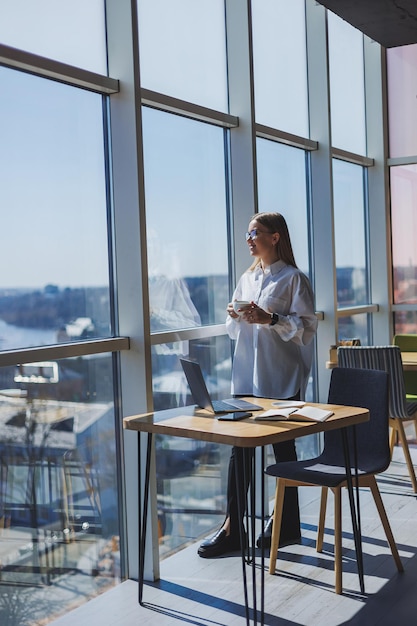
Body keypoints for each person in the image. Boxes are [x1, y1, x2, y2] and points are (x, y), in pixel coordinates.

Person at [198, 211, 318, 558]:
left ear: (275, 237)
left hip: (280, 378)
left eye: (255, 233)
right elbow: (234, 330)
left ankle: (287, 525)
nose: (249, 239)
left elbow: (307, 329)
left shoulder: (294, 279)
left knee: (284, 453)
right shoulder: (248, 279)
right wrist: (235, 317)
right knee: (240, 452)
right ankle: (233, 527)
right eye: (248, 233)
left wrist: (271, 319)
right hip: (246, 378)